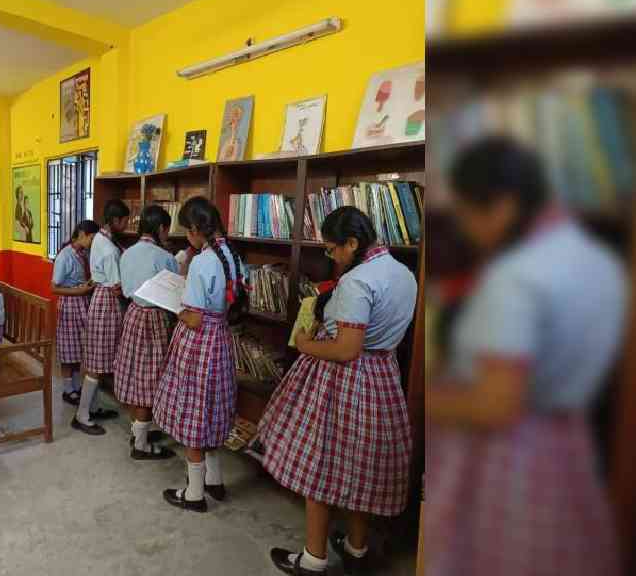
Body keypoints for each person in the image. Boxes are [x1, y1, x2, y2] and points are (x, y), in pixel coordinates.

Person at [426, 138, 626, 576]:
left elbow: (495, 404)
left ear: (502, 206)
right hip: (570, 448)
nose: (464, 228)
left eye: (466, 213)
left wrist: (429, 400)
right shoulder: (602, 262)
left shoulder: (514, 278)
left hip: (508, 461)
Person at [263, 206, 417, 576]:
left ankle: (313, 559)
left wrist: (304, 343)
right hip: (382, 377)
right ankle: (355, 548)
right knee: (361, 468)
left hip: (343, 381)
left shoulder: (357, 281)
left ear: (352, 242)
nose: (330, 256)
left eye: (333, 249)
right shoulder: (405, 274)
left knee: (321, 466)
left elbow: (346, 349)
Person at [153, 196, 244, 512]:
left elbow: (193, 317)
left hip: (198, 343)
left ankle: (193, 493)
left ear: (195, 229)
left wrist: (174, 303)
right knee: (213, 411)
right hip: (220, 338)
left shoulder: (203, 261)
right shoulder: (230, 254)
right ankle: (215, 480)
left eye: (187, 232)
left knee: (194, 414)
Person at [114, 205, 179, 460]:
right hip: (154, 319)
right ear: (161, 228)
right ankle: (140, 445)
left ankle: (138, 431)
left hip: (132, 314)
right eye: (167, 228)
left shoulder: (126, 253)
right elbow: (174, 292)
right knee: (149, 379)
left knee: (134, 376)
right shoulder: (165, 257)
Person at [72, 200, 130, 435]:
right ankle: (82, 416)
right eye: (125, 221)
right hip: (107, 302)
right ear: (115, 221)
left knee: (97, 360)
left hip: (99, 299)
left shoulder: (100, 240)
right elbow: (117, 287)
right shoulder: (108, 248)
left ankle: (92, 408)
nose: (127, 224)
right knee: (96, 364)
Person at [51, 220, 99, 406]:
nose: (93, 242)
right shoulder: (65, 256)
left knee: (79, 348)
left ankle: (76, 386)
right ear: (81, 234)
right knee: (68, 349)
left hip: (83, 302)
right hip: (70, 304)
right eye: (91, 238)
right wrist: (79, 291)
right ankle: (67, 389)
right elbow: (54, 287)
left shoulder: (83, 253)